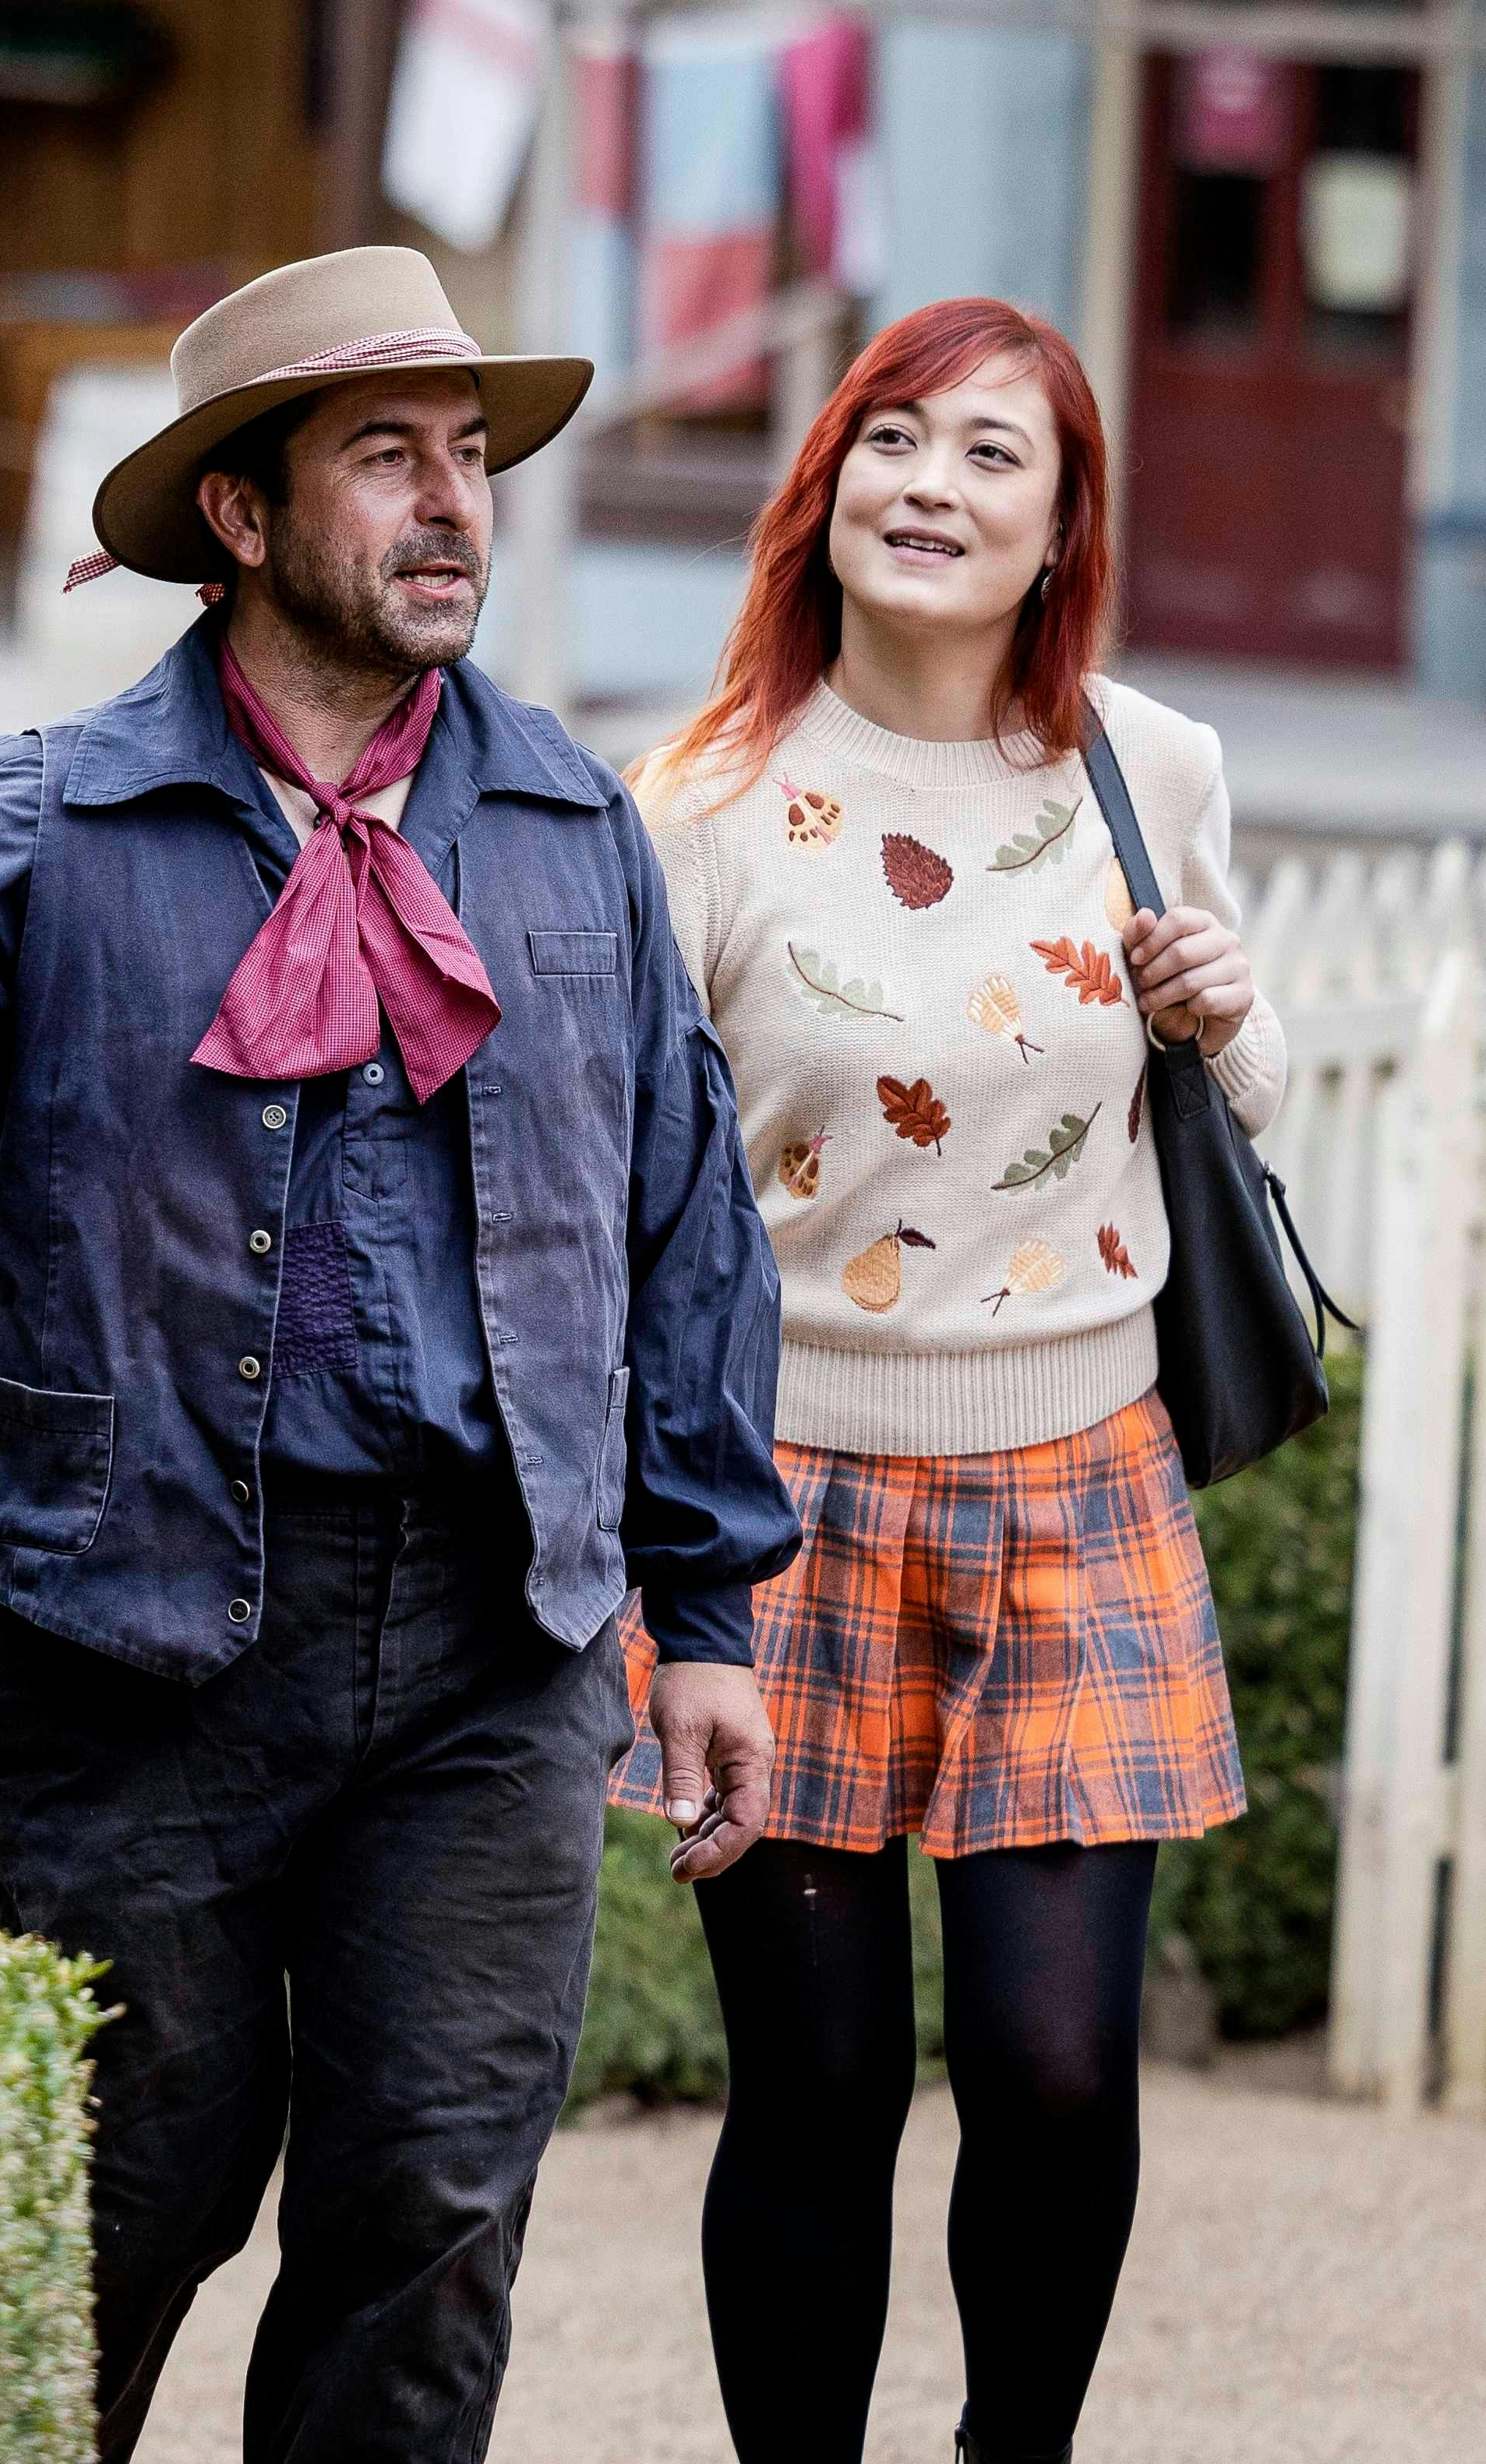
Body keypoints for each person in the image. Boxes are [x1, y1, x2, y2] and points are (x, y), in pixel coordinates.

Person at [0, 245, 792, 2464]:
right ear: (240, 514)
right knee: (117, 2203)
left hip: (499, 1644)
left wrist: (710, 1611)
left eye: (472, 458)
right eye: (386, 456)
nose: (451, 506)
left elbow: (678, 1236)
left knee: (427, 2219)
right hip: (150, 1641)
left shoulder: (575, 835)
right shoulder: (39, 827)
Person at [613, 296, 1277, 2464]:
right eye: (893, 440)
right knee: (813, 2095)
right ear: (824, 490)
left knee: (1061, 2068)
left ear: (1062, 523)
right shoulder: (699, 802)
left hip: (1082, 1481)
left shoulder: (1145, 772)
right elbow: (627, 1194)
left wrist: (1228, 1016)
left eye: (995, 455)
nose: (934, 486)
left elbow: (1247, 1112)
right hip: (784, 1508)